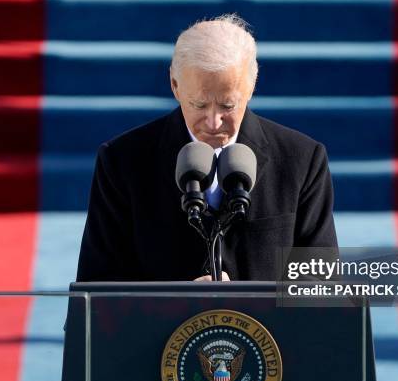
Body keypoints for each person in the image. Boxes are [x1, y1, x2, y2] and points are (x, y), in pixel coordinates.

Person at [76, 14, 337, 282]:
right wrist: (179, 305)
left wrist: (249, 303)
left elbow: (322, 289)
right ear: (175, 86)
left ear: (252, 86)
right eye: (199, 105)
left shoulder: (302, 160)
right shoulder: (122, 162)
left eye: (227, 106)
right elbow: (97, 288)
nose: (213, 123)